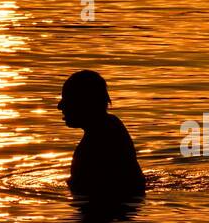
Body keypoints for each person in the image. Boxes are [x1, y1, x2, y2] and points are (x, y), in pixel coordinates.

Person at [56, 69, 146, 201]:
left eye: (67, 99)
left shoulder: (98, 140)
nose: (60, 106)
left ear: (84, 103)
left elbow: (94, 187)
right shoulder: (111, 126)